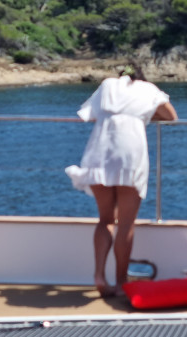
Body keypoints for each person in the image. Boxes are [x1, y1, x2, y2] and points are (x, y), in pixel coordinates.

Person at [66, 65, 178, 296]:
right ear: (141, 77)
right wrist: (145, 114)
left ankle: (99, 274)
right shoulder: (148, 89)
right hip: (130, 151)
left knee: (105, 219)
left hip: (100, 149)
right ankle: (120, 282)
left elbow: (89, 114)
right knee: (126, 223)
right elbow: (171, 116)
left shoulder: (107, 85)